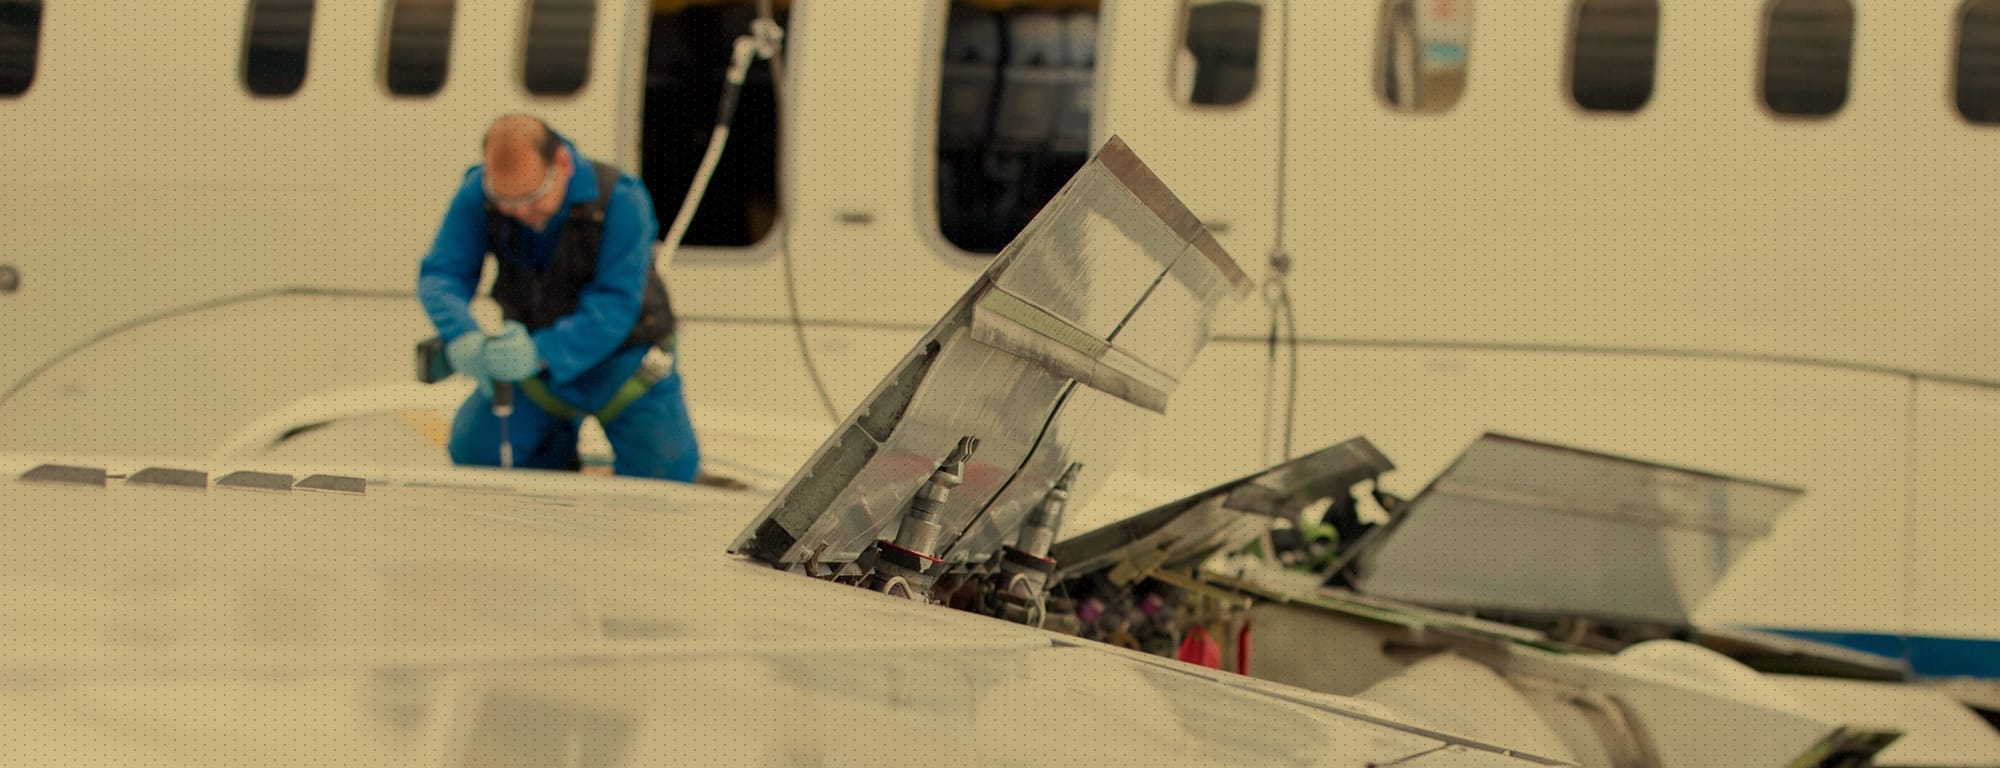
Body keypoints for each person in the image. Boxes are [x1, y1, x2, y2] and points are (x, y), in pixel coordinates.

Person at [417, 114, 699, 481]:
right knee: (477, 449)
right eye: (504, 200)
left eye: (532, 197)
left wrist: (541, 353)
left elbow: (615, 305)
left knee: (667, 472)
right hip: (533, 370)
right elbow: (442, 274)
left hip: (625, 362)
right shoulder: (477, 193)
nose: (518, 211)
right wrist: (462, 335)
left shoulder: (622, 199)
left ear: (562, 164)